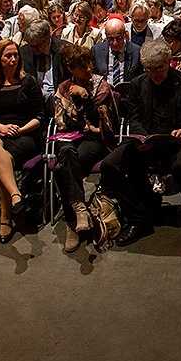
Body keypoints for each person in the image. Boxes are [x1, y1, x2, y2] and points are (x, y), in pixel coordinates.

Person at [98, 39, 181, 253]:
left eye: (159, 68)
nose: (155, 74)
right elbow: (133, 117)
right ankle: (139, 217)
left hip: (178, 141)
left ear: (169, 63)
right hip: (147, 139)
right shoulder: (139, 83)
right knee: (109, 165)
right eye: (149, 69)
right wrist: (141, 136)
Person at [52, 44, 117, 252]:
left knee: (65, 166)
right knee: (65, 153)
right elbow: (62, 123)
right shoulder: (63, 88)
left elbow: (100, 124)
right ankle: (80, 211)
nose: (89, 69)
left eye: (90, 63)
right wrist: (79, 119)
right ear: (71, 69)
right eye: (82, 66)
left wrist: (85, 98)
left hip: (96, 140)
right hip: (70, 139)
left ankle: (73, 221)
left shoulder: (100, 86)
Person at [0, 39, 45, 244]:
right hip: (0, 132)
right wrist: (1, 128)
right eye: (8, 55)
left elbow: (40, 116)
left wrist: (20, 129)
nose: (13, 59)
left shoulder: (29, 82)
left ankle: (5, 216)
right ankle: (16, 195)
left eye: (16, 55)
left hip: (25, 134)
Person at [94, 17, 141, 87]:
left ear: (125, 35)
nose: (115, 43)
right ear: (106, 36)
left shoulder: (136, 51)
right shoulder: (97, 50)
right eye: (110, 39)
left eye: (118, 38)